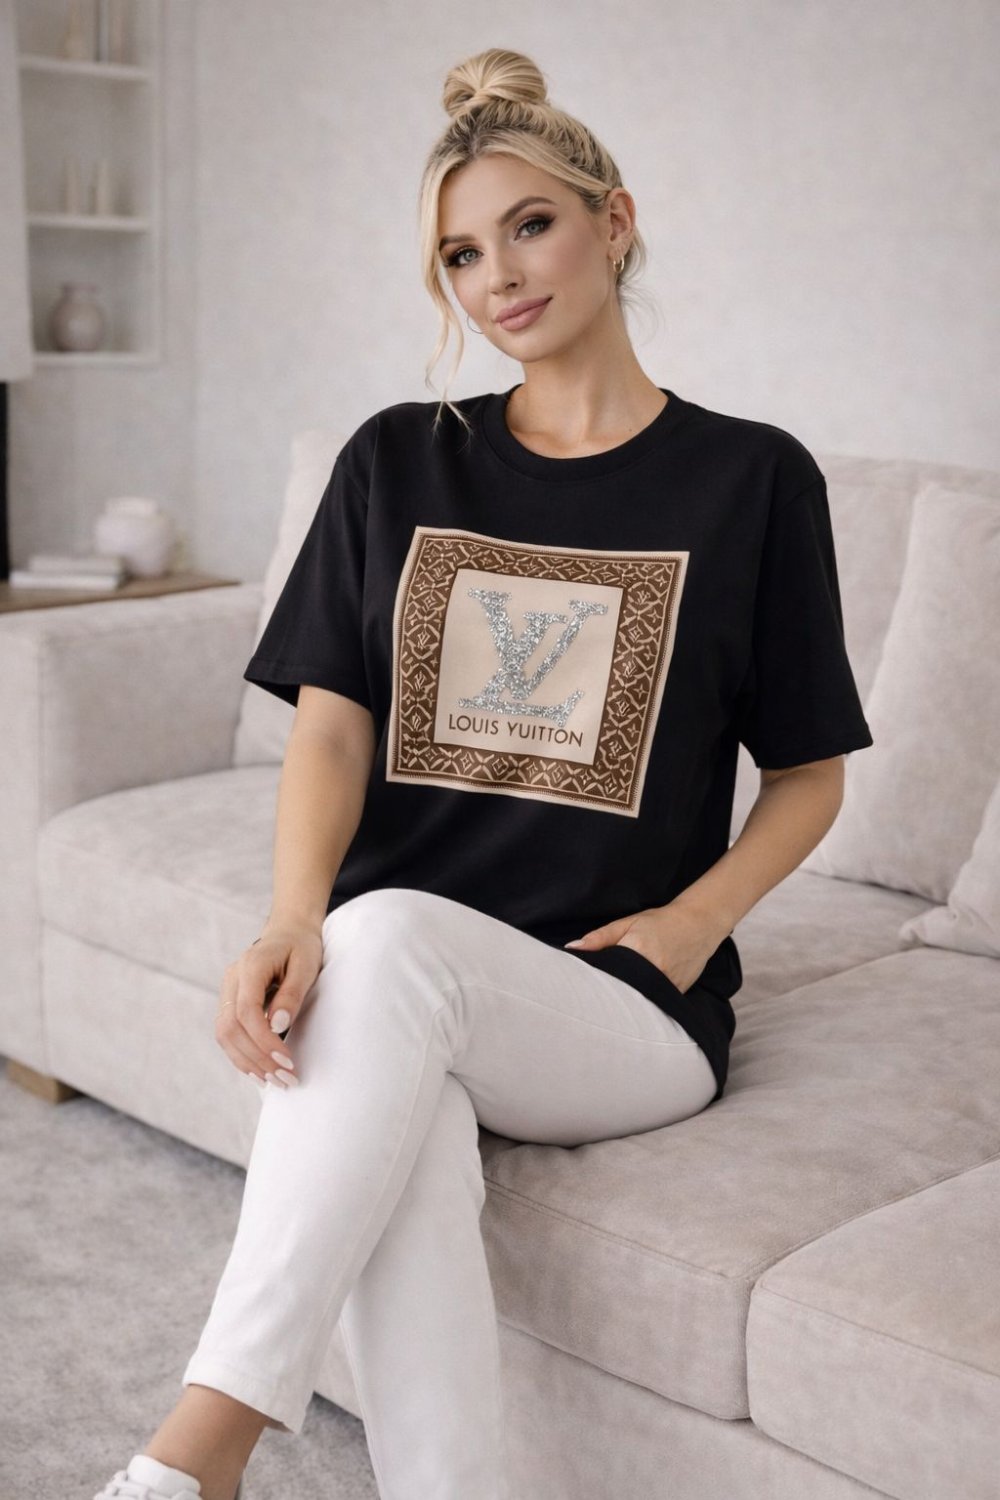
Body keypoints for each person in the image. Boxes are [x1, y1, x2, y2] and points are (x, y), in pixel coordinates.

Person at [93, 44, 873, 1500]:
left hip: (618, 1001)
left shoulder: (753, 480)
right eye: (460, 254)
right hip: (404, 987)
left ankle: (197, 1455)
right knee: (398, 1100)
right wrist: (287, 918)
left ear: (614, 223)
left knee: (382, 943)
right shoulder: (398, 462)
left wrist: (692, 926)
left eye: (530, 226)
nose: (498, 276)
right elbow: (333, 726)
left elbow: (811, 775)